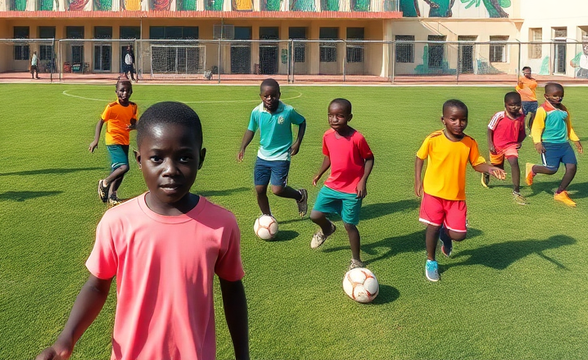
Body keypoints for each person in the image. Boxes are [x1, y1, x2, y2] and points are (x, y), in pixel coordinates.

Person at [36, 101, 248, 360]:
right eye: (157, 158)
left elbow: (233, 291)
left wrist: (243, 356)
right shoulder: (118, 222)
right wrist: (64, 340)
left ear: (200, 158)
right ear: (139, 159)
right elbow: (96, 287)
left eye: (184, 157)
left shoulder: (221, 224)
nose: (170, 169)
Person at [415, 99, 505, 282]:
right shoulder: (433, 139)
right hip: (433, 193)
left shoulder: (469, 143)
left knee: (459, 235)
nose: (459, 124)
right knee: (432, 227)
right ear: (444, 120)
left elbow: (477, 163)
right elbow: (419, 157)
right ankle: (431, 261)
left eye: (463, 119)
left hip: (456, 197)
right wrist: (418, 181)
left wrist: (490, 168)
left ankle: (445, 235)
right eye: (453, 119)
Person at [309, 98, 374, 270]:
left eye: (340, 116)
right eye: (330, 115)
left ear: (349, 117)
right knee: (315, 215)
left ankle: (356, 260)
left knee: (349, 225)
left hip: (352, 190)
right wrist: (319, 173)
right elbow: (328, 157)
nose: (334, 119)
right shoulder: (327, 135)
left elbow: (369, 159)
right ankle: (327, 229)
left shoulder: (357, 138)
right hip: (332, 185)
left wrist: (363, 181)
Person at [237, 79, 309, 219]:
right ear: (261, 96)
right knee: (260, 189)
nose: (269, 99)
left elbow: (302, 122)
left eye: (273, 95)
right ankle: (267, 217)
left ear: (279, 95)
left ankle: (300, 196)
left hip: (281, 156)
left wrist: (297, 143)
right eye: (266, 96)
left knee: (278, 189)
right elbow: (250, 129)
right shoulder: (256, 112)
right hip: (262, 156)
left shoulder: (287, 111)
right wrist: (243, 147)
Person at [525, 82, 583, 207]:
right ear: (546, 96)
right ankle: (533, 168)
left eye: (561, 95)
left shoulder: (563, 109)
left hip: (564, 144)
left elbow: (568, 126)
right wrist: (537, 142)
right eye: (555, 96)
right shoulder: (542, 110)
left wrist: (576, 140)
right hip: (549, 145)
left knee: (572, 167)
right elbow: (537, 127)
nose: (558, 98)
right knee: (552, 169)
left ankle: (560, 192)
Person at [88, 79, 138, 206]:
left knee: (120, 170)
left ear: (131, 92)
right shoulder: (111, 107)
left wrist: (134, 127)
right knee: (124, 167)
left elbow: (134, 123)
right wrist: (95, 140)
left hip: (124, 141)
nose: (125, 93)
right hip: (112, 140)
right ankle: (104, 182)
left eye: (127, 90)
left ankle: (112, 196)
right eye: (122, 90)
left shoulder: (133, 107)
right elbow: (101, 121)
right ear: (116, 92)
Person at [484, 91, 528, 205]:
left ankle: (516, 191)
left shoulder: (521, 117)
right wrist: (490, 144)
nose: (515, 107)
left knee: (514, 162)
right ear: (505, 104)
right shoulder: (499, 116)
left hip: (511, 145)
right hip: (497, 146)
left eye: (518, 104)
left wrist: (519, 141)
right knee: (498, 169)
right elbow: (490, 129)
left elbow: (523, 131)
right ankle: (487, 171)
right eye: (511, 105)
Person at [516, 66, 539, 133]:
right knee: (523, 115)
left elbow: (534, 86)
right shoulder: (521, 79)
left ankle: (531, 128)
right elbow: (518, 88)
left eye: (529, 72)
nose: (528, 73)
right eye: (526, 72)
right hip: (525, 100)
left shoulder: (533, 80)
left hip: (533, 100)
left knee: (534, 115)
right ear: (523, 72)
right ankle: (522, 128)